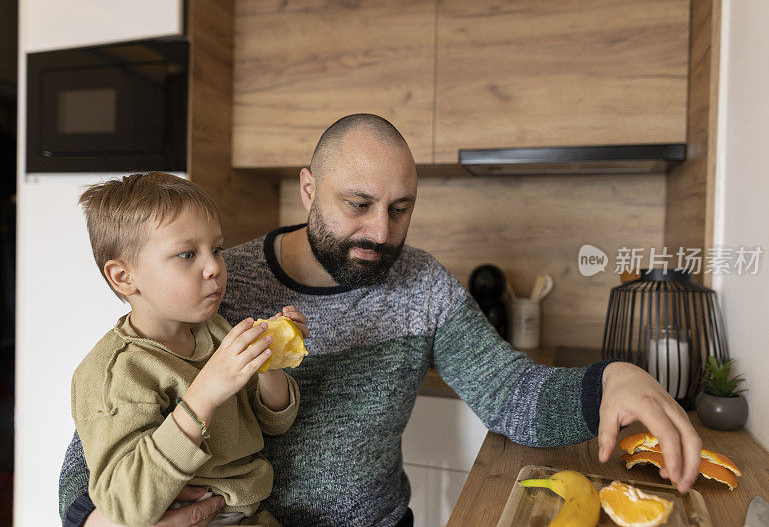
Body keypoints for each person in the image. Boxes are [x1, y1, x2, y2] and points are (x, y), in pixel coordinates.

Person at [59, 114, 701, 527]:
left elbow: (512, 395)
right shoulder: (219, 283)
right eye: (358, 204)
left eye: (400, 208)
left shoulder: (423, 287)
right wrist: (92, 520)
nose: (380, 233)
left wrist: (607, 382)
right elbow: (112, 426)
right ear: (309, 189)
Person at [67, 172, 307, 526]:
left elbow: (274, 424)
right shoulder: (116, 373)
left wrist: (270, 362)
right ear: (123, 277)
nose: (214, 268)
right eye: (186, 254)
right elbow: (122, 504)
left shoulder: (216, 330)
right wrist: (204, 394)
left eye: (217, 249)